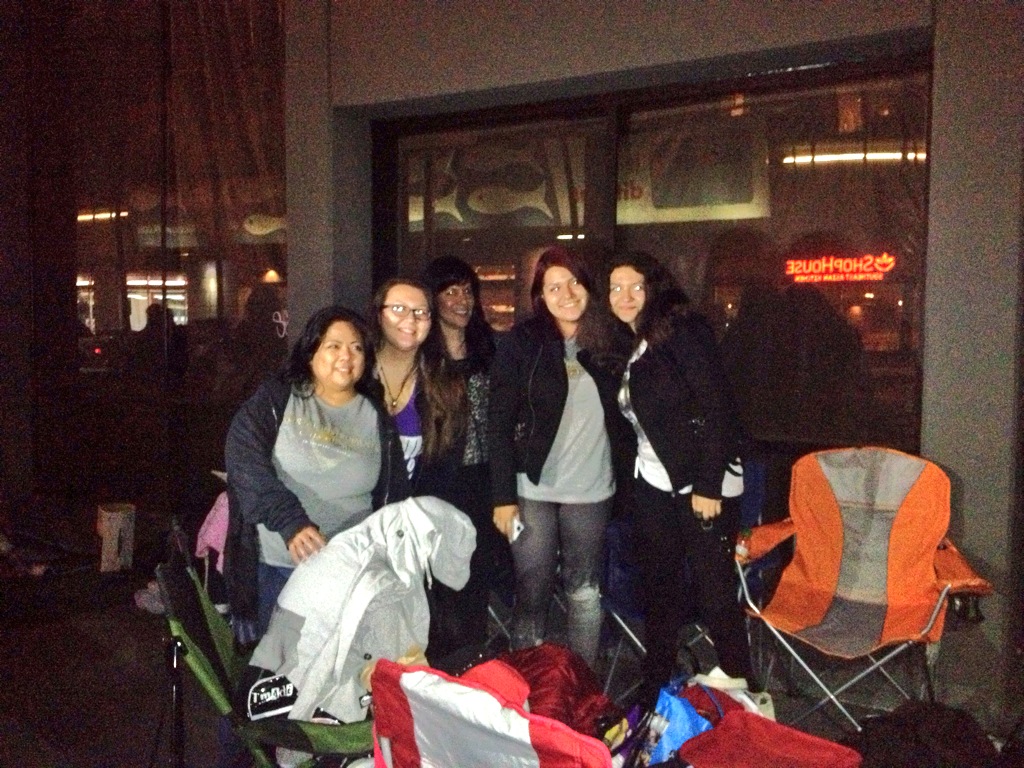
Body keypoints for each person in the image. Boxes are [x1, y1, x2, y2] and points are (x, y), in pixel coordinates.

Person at [607, 251, 754, 699]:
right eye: (615, 288)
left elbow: (717, 406)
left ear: (654, 288)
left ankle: (741, 683)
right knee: (659, 585)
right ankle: (656, 681)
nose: (624, 296)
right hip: (655, 482)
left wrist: (707, 485)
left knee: (714, 588)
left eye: (635, 286)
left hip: (702, 484)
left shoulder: (683, 331)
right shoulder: (634, 342)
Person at [223, 305, 410, 640]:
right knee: (284, 667)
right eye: (333, 346)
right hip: (281, 571)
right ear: (311, 353)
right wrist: (290, 522)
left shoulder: (376, 416)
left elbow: (393, 494)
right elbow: (243, 460)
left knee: (345, 667)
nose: (346, 356)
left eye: (356, 348)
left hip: (351, 577)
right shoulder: (276, 400)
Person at [489, 245, 629, 669]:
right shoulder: (522, 343)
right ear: (540, 296)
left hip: (591, 489)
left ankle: (580, 682)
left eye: (574, 282)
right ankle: (525, 684)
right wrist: (502, 497)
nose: (566, 294)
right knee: (531, 589)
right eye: (553, 287)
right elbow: (498, 422)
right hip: (533, 487)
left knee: (583, 590)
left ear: (588, 286)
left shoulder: (613, 340)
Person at [418, 255, 508, 662]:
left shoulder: (491, 348)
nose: (461, 300)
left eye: (468, 291)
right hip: (439, 481)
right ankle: (441, 663)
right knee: (440, 581)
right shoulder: (421, 356)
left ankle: (473, 663)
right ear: (433, 299)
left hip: (486, 481)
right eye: (451, 291)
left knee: (477, 575)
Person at [367, 278, 450, 483]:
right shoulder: (354, 373)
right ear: (379, 315)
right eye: (398, 309)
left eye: (420, 312)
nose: (411, 319)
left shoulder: (442, 383)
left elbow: (444, 469)